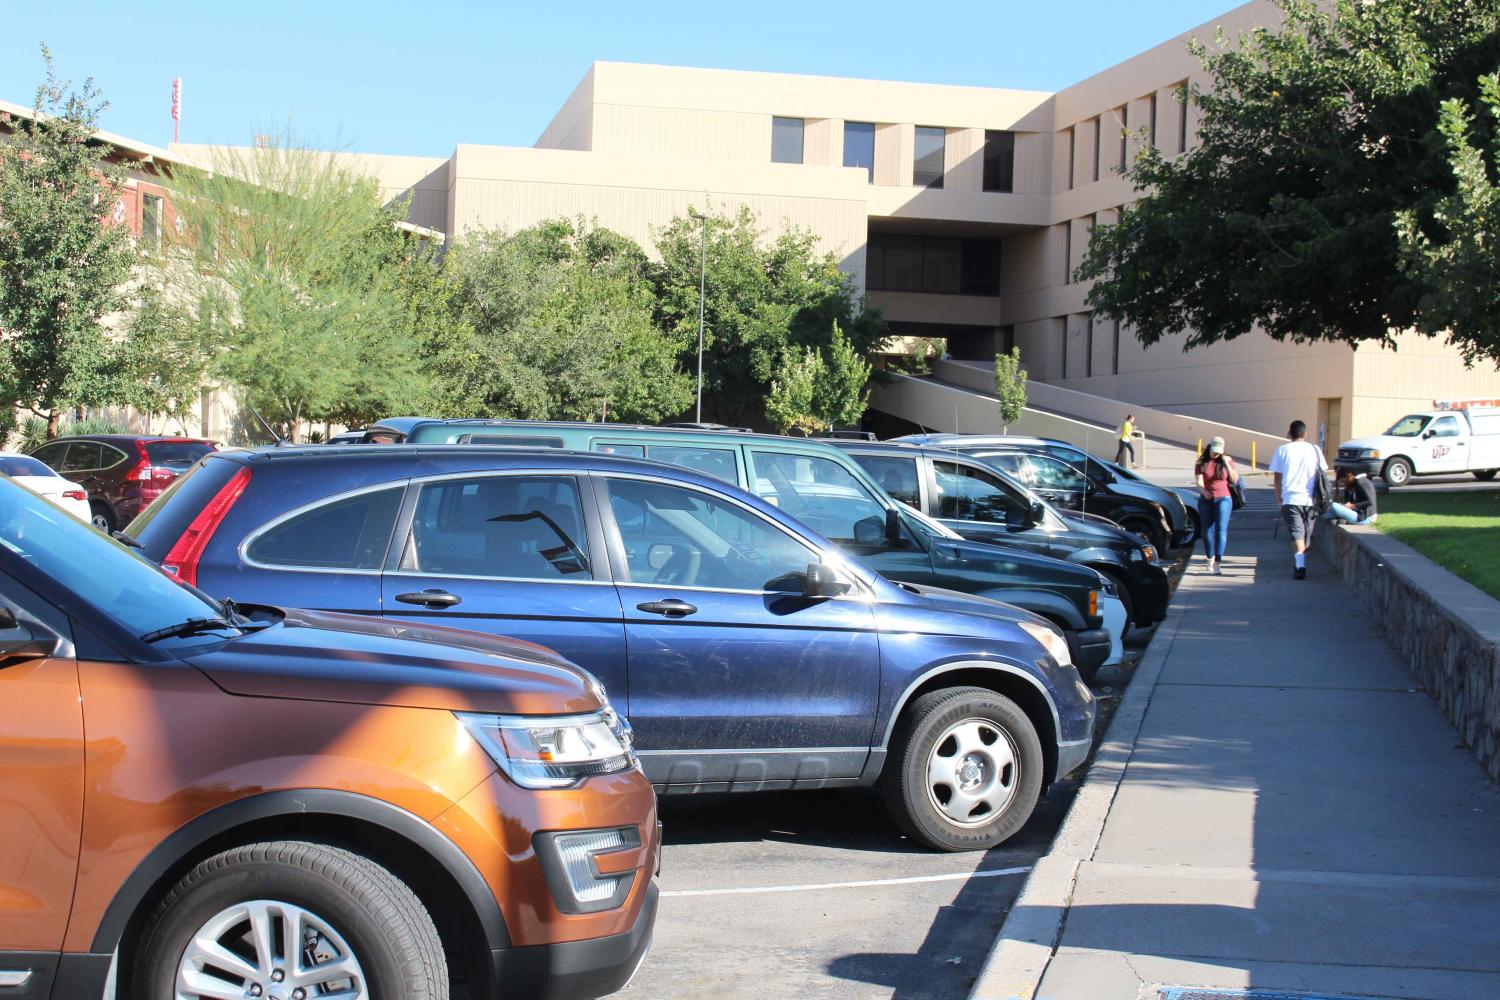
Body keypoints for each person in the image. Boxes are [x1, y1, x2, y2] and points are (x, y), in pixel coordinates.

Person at [1269, 419, 1329, 579]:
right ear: (1305, 433)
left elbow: (1277, 478)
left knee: (1298, 534)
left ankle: (1300, 561)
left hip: (1290, 498)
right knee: (1304, 534)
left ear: (1290, 433)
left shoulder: (1282, 450)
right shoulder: (1315, 450)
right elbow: (1322, 473)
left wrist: (1278, 499)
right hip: (1311, 500)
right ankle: (1300, 565)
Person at [1194, 436, 1239, 574]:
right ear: (1210, 447)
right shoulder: (1201, 461)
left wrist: (1226, 463)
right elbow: (1199, 482)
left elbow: (1235, 480)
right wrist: (1204, 491)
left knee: (1221, 530)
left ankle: (1218, 563)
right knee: (1207, 533)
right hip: (1206, 500)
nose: (1216, 454)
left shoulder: (1227, 460)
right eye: (1214, 451)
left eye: (1219, 452)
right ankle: (1210, 558)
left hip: (1224, 498)